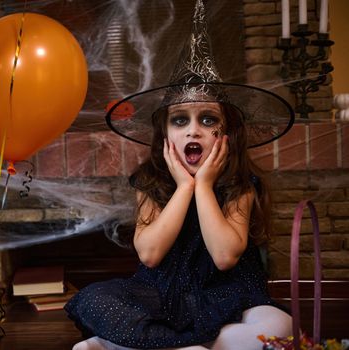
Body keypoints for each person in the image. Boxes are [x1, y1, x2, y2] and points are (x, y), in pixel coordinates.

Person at [64, 1, 295, 349]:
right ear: (165, 133)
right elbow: (150, 254)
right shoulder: (151, 182)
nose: (193, 131)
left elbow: (224, 255)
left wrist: (202, 184)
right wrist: (184, 187)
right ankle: (187, 344)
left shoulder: (239, 185)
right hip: (160, 296)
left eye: (208, 119)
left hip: (228, 297)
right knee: (96, 299)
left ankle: (147, 345)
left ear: (226, 133)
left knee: (278, 324)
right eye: (180, 120)